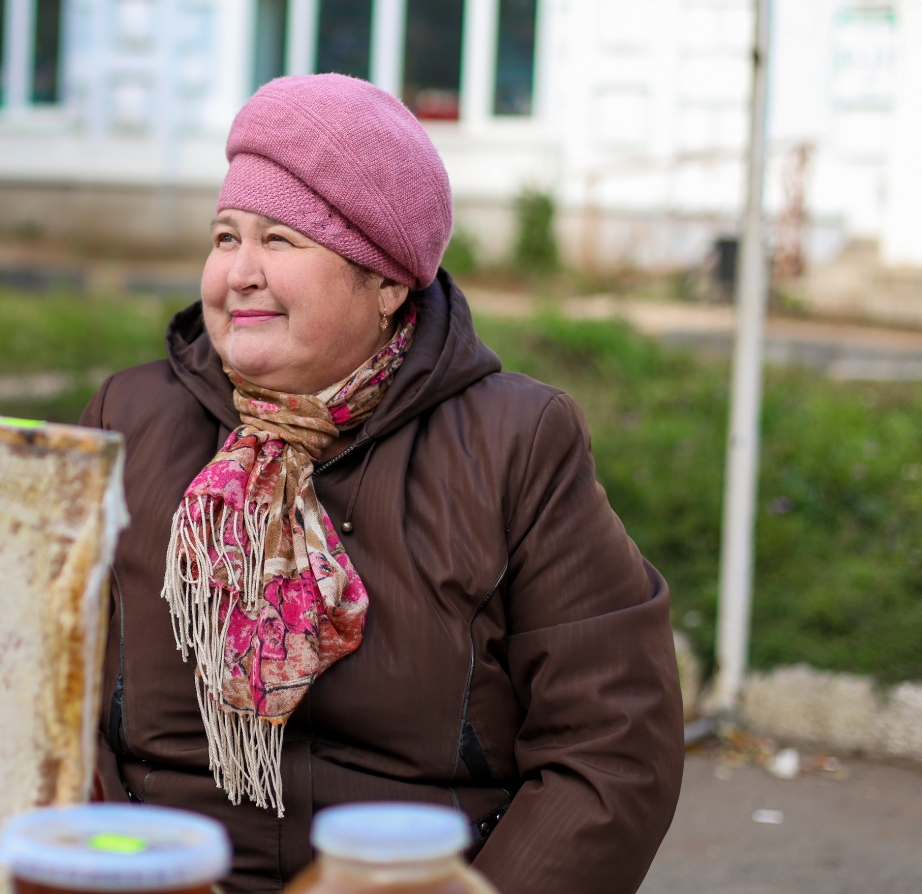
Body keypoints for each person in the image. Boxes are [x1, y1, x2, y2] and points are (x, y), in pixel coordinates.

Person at [82, 73, 683, 894]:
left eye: (281, 241)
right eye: (226, 238)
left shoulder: (514, 443)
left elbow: (611, 745)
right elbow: (36, 685)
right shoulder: (129, 417)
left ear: (388, 283)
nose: (241, 273)